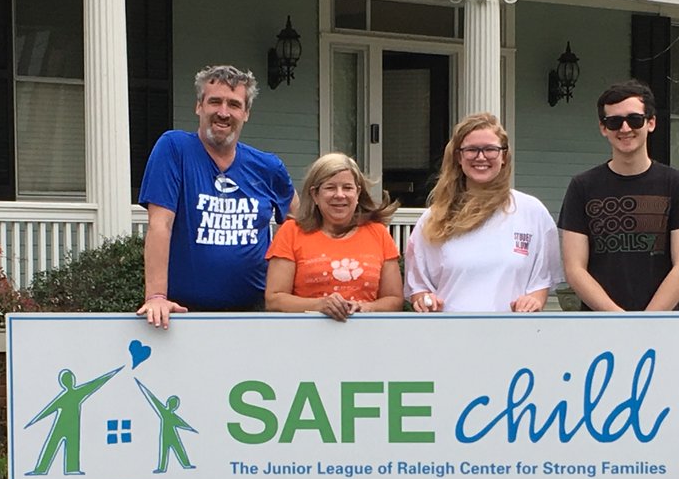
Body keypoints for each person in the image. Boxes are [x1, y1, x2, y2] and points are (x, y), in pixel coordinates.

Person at [558, 79, 679, 479]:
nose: (625, 129)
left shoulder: (675, 185)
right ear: (602, 127)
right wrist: (617, 319)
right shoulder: (583, 188)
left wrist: (646, 325)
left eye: (634, 120)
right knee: (596, 437)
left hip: (661, 334)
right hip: (597, 332)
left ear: (651, 124)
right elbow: (575, 267)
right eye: (614, 121)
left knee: (664, 441)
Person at [137, 64, 297, 326]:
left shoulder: (268, 167)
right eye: (215, 102)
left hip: (256, 312)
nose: (223, 113)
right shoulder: (174, 149)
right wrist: (156, 296)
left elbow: (298, 223)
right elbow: (160, 224)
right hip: (185, 313)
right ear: (199, 106)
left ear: (246, 113)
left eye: (234, 104)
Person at [404, 113, 559, 313]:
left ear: (504, 156)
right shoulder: (434, 219)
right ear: (459, 157)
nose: (480, 157)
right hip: (451, 335)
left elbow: (541, 282)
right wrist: (425, 300)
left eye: (490, 149)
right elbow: (419, 286)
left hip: (513, 335)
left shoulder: (532, 212)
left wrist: (532, 301)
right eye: (471, 150)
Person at [265, 153, 403, 321]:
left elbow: (394, 300)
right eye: (330, 188)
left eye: (347, 187)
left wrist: (366, 307)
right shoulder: (291, 232)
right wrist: (320, 305)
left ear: (358, 193)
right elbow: (274, 299)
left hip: (366, 336)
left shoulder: (378, 233)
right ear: (315, 195)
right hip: (305, 336)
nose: (340, 195)